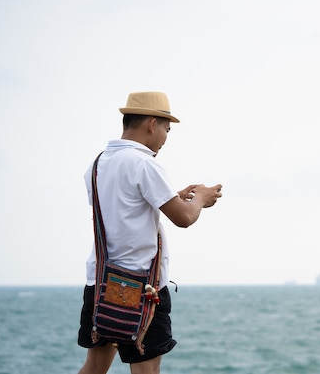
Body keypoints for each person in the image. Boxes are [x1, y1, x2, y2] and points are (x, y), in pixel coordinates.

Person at [77, 91, 222, 374]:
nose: (166, 138)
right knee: (146, 371)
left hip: (100, 283)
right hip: (140, 287)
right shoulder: (144, 163)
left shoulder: (97, 165)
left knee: (94, 368)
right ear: (152, 124)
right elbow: (183, 218)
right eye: (167, 130)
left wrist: (171, 196)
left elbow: (121, 210)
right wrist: (201, 199)